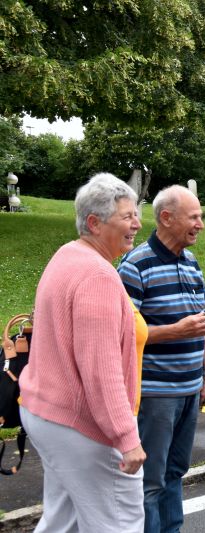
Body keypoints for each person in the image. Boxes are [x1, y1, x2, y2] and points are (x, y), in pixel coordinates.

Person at [19, 173, 147, 531]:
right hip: (83, 427)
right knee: (119, 522)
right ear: (94, 223)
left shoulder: (67, 255)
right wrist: (126, 438)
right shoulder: (98, 276)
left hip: (47, 414)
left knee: (64, 521)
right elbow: (101, 370)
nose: (137, 224)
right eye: (127, 216)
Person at [118, 185, 205, 531]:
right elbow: (122, 334)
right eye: (194, 217)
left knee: (175, 471)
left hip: (190, 390)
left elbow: (204, 323)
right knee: (150, 480)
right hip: (155, 394)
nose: (200, 224)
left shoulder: (191, 263)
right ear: (166, 218)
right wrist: (175, 331)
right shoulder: (135, 265)